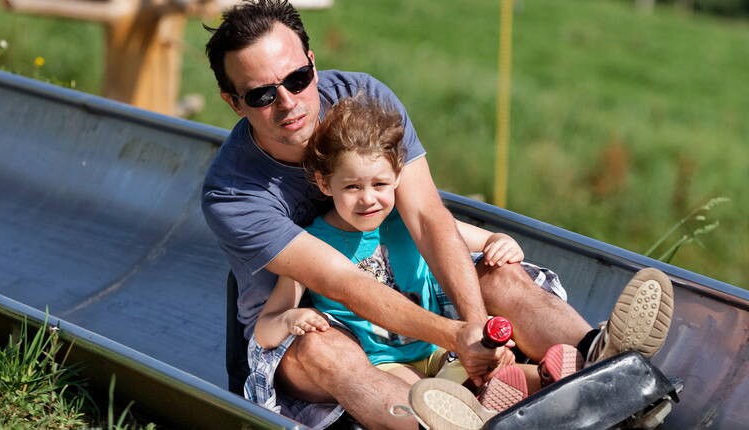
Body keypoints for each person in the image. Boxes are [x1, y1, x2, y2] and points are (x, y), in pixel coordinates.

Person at [200, 1, 674, 429]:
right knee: (323, 348)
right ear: (234, 103)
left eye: (297, 79)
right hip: (311, 327)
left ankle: (603, 360)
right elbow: (346, 283)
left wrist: (481, 338)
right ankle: (440, 420)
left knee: (495, 273)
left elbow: (428, 218)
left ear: (313, 65)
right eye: (262, 95)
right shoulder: (232, 193)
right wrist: (456, 334)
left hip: (413, 297)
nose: (288, 103)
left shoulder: (364, 104)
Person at [252, 94, 587, 424]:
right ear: (326, 184)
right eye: (352, 187)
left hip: (439, 351)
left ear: (398, 176)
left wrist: (502, 242)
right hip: (386, 365)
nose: (368, 199)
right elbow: (265, 329)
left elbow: (478, 240)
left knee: (497, 371)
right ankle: (482, 412)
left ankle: (553, 379)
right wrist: (289, 319)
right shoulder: (312, 244)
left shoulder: (405, 220)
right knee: (424, 397)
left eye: (379, 184)